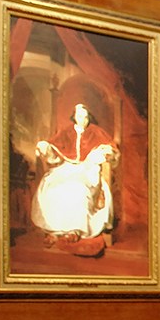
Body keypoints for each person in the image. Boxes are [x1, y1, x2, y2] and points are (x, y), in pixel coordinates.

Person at [31, 102, 119, 245]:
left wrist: (105, 152)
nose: (83, 119)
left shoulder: (96, 131)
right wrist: (45, 147)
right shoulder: (66, 131)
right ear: (74, 117)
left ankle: (75, 231)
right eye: (80, 116)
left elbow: (109, 147)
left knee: (77, 188)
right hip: (66, 168)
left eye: (85, 117)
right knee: (53, 188)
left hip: (87, 168)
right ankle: (55, 231)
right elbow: (53, 146)